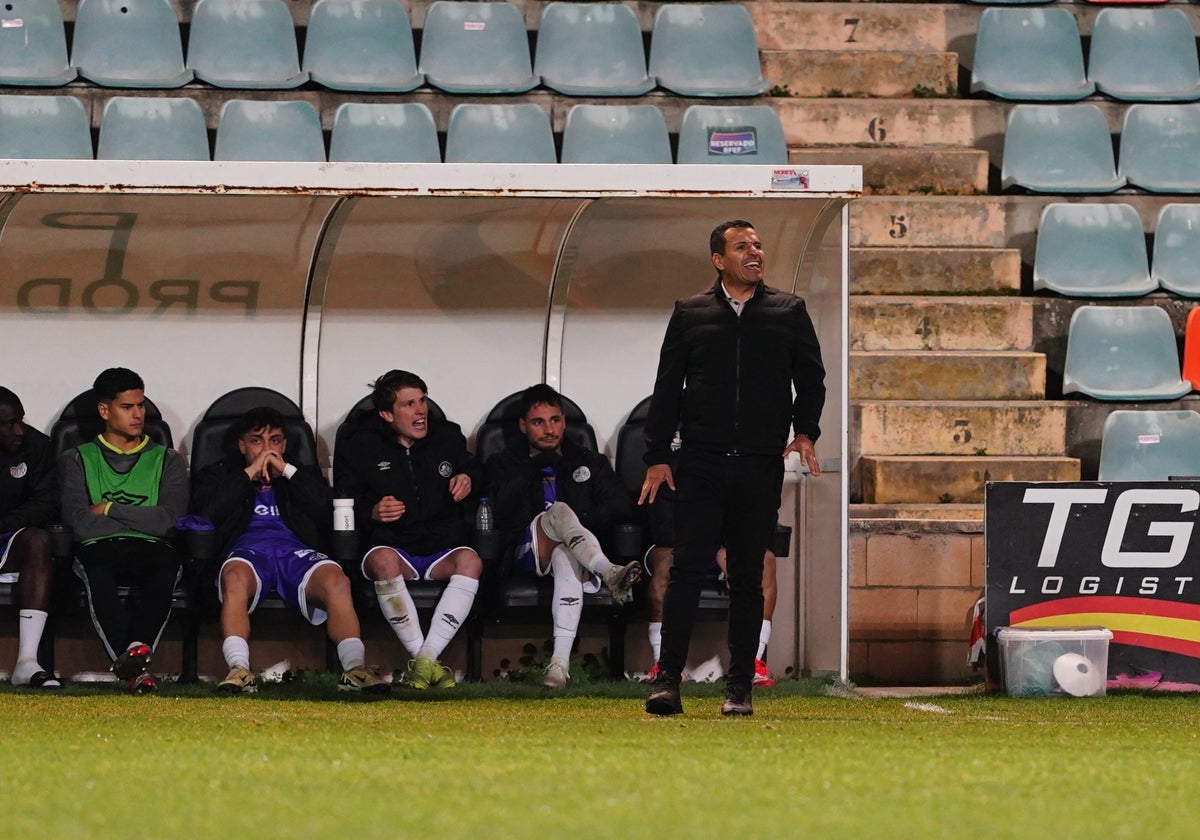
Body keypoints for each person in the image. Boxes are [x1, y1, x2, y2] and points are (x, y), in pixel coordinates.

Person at [640, 220, 825, 717]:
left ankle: (739, 687)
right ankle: (666, 684)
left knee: (747, 576)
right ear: (718, 259)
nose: (755, 252)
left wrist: (805, 431)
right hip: (699, 463)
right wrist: (657, 455)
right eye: (742, 246)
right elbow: (667, 388)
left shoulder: (789, 310)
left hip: (760, 466)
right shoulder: (691, 312)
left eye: (759, 245)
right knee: (685, 571)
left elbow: (811, 379)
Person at [191, 406, 388, 695]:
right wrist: (249, 473)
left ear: (284, 444)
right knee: (234, 578)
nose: (267, 449)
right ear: (241, 445)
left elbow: (326, 511)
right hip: (247, 552)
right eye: (257, 441)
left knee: (337, 581)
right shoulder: (220, 474)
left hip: (294, 552)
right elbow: (205, 513)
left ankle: (355, 670)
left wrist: (287, 471)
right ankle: (239, 670)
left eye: (275, 440)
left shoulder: (300, 474)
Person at [334, 370, 482, 690]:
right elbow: (342, 498)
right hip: (392, 544)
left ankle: (424, 660)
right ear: (387, 414)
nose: (421, 411)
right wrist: (370, 510)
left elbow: (477, 470)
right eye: (409, 404)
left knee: (471, 561)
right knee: (384, 562)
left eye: (423, 401)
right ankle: (424, 660)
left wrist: (468, 478)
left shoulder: (448, 436)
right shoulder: (360, 445)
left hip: (442, 543)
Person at [485, 384, 641, 688]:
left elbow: (622, 506)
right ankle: (608, 572)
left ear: (564, 422)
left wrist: (579, 524)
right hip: (523, 552)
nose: (549, 429)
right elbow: (497, 512)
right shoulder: (504, 463)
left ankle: (558, 665)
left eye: (555, 420)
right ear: (522, 425)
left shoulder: (587, 460)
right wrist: (531, 469)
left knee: (564, 554)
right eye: (538, 422)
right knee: (557, 511)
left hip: (575, 552)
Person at [58, 368, 188, 693]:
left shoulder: (168, 459)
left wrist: (109, 508)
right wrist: (143, 516)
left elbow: (168, 521)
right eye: (127, 407)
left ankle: (132, 664)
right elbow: (79, 523)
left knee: (165, 568)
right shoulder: (76, 459)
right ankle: (136, 665)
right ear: (105, 410)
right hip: (98, 545)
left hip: (152, 547)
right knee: (98, 570)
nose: (138, 414)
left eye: (141, 406)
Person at [642, 483, 778, 687]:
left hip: (722, 548)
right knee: (664, 562)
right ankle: (663, 665)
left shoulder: (736, 468)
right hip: (680, 546)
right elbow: (662, 528)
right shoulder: (676, 468)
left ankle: (753, 662)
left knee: (764, 560)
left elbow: (755, 523)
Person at [0, 387, 60, 687]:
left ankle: (26, 661)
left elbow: (45, 503)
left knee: (38, 539)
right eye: (8, 423)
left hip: (9, 534)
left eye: (20, 420)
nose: (18, 430)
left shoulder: (36, 445)